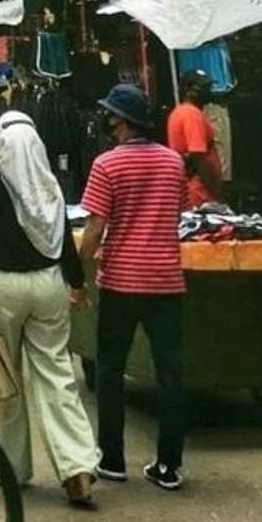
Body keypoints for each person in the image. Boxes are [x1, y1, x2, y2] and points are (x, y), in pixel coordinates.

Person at [0, 111, 98, 509]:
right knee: (57, 373)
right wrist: (76, 282)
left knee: (4, 377)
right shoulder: (50, 185)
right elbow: (62, 242)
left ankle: (10, 468)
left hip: (2, 286)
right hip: (49, 285)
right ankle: (76, 468)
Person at [80, 83, 189, 492]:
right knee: (170, 373)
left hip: (122, 281)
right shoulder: (173, 163)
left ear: (121, 121)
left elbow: (95, 227)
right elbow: (176, 213)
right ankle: (169, 465)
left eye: (111, 116)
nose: (108, 123)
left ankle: (112, 458)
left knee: (110, 369)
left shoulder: (107, 165)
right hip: (165, 280)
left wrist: (81, 270)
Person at [167, 69, 224, 209]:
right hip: (200, 192)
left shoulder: (180, 112)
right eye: (203, 87)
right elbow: (199, 157)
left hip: (190, 189)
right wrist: (215, 195)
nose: (208, 91)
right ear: (188, 90)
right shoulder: (192, 114)